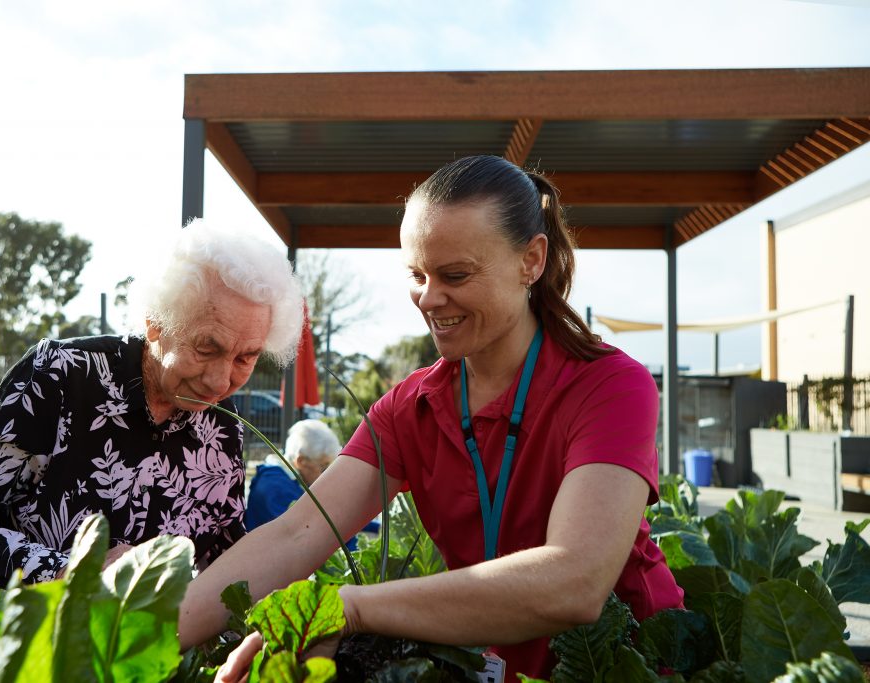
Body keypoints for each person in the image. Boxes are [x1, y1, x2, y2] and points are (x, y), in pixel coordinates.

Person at [177, 155, 684, 682]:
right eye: (416, 274)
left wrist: (351, 608)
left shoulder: (609, 385)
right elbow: (292, 535)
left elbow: (574, 580)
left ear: (531, 260)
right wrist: (132, 632)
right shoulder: (409, 406)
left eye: (455, 274)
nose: (429, 298)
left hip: (626, 667)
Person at [0, 218, 303, 657]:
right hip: (1, 650)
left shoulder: (225, 429)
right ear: (156, 325)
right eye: (206, 348)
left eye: (245, 358)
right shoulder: (62, 378)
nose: (219, 380)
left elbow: (222, 564)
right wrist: (73, 574)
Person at [244, 419, 379, 550]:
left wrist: (377, 527)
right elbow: (310, 539)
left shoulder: (291, 480)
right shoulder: (276, 490)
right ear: (301, 461)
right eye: (324, 467)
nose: (328, 474)